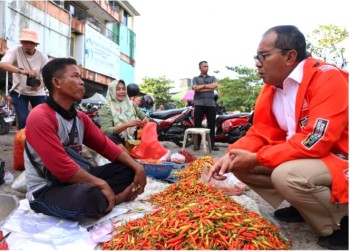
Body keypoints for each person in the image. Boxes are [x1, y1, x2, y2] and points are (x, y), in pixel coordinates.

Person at [208, 25, 348, 250]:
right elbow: (260, 132)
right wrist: (232, 154)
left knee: (287, 175)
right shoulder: (272, 88)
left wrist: (258, 158)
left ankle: (340, 223)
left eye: (264, 56)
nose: (257, 63)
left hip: (338, 156)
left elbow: (316, 140)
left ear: (290, 56)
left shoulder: (326, 78)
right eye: (257, 57)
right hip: (304, 156)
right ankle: (303, 207)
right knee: (240, 165)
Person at [24, 58, 146, 219]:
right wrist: (101, 183)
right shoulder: (41, 116)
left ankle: (104, 199)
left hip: (78, 178)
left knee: (128, 169)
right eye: (75, 76)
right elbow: (61, 169)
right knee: (88, 197)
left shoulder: (81, 118)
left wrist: (138, 168)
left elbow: (107, 146)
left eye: (81, 77)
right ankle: (114, 199)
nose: (82, 83)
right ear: (57, 82)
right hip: (48, 188)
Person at [0, 29, 49, 130]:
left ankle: (38, 139)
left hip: (38, 92)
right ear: (21, 42)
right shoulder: (15, 50)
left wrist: (39, 86)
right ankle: (24, 141)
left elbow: (48, 76)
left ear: (36, 44)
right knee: (23, 119)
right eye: (25, 41)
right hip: (19, 92)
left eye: (31, 42)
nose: (28, 44)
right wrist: (22, 71)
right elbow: (2, 64)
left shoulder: (42, 56)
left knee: (42, 118)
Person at [99, 80, 149, 146]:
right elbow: (106, 131)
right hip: (117, 144)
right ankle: (128, 156)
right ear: (112, 91)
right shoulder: (106, 107)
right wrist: (127, 125)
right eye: (118, 89)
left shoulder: (131, 104)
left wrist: (145, 118)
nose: (122, 92)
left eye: (124, 89)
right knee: (110, 138)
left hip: (133, 140)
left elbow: (142, 115)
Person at [192, 61, 219, 151]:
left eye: (207, 66)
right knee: (197, 125)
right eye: (204, 66)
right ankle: (197, 145)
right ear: (200, 68)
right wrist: (208, 87)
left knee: (211, 125)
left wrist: (202, 87)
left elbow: (215, 85)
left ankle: (212, 145)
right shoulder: (195, 78)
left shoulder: (212, 77)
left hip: (211, 104)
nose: (206, 68)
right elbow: (196, 89)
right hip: (199, 104)